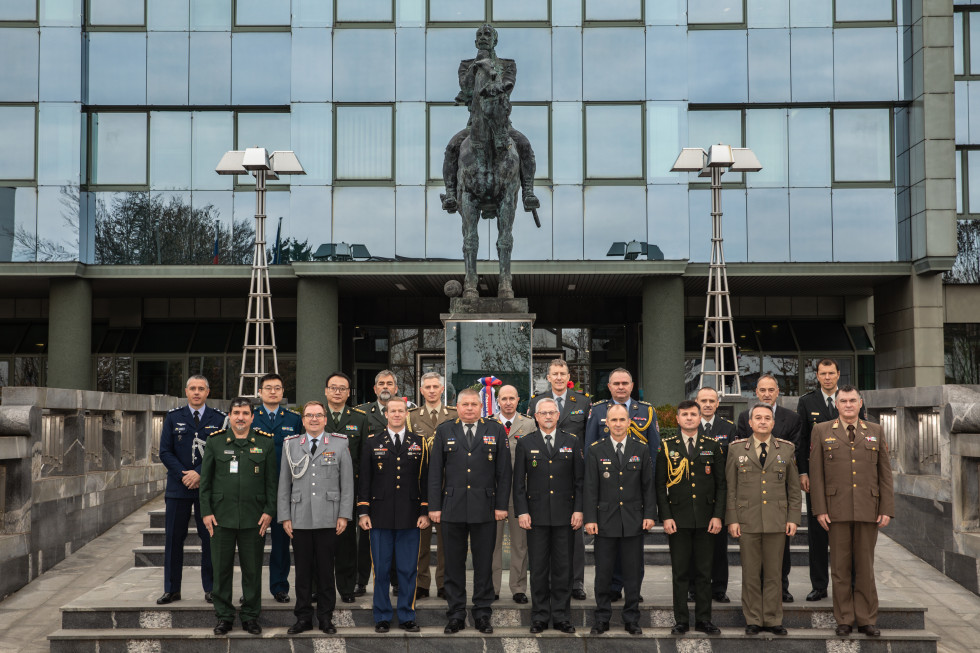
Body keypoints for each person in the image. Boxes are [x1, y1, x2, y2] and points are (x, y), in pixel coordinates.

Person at [808, 386, 894, 637]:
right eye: (843, 401)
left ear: (860, 403)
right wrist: (820, 510)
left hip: (869, 508)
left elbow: (884, 474)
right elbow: (817, 475)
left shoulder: (875, 430)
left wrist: (887, 508)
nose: (848, 405)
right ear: (836, 404)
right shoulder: (822, 430)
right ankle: (844, 618)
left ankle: (867, 619)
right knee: (840, 567)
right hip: (836, 510)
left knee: (865, 567)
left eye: (852, 400)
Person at [428, 388, 511, 635]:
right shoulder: (444, 430)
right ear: (457, 406)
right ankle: (455, 614)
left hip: (485, 508)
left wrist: (501, 506)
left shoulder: (494, 429)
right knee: (453, 564)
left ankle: (482, 614)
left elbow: (504, 472)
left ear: (481, 407)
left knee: (483, 564)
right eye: (465, 404)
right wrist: (434, 506)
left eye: (474, 404)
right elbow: (434, 473)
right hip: (451, 508)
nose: (470, 408)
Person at [441, 23, 538, 214]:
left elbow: (509, 83)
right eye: (480, 35)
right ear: (476, 41)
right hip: (474, 124)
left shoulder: (507, 64)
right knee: (452, 147)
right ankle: (451, 194)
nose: (484, 37)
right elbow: (466, 88)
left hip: (502, 124)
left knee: (525, 145)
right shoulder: (466, 65)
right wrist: (477, 66)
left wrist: (493, 75)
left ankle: (528, 192)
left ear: (495, 40)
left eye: (488, 34)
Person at [200, 398, 277, 636]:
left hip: (254, 518)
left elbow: (271, 483)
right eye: (236, 413)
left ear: (253, 417)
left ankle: (250, 616)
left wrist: (269, 511)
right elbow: (205, 483)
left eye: (245, 413)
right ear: (230, 416)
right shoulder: (215, 442)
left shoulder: (265, 443)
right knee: (221, 569)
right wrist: (206, 512)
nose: (241, 417)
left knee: (252, 570)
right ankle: (223, 616)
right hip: (221, 518)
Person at [584, 367, 660, 601]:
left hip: (634, 489)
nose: (620, 387)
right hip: (607, 490)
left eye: (625, 383)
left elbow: (653, 452)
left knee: (633, 554)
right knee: (609, 554)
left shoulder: (646, 411)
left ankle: (633, 591)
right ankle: (613, 588)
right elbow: (590, 449)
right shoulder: (597, 411)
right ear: (609, 386)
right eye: (615, 383)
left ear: (632, 385)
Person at [278, 401, 353, 635]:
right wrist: (284, 517)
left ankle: (325, 617)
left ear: (325, 419)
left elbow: (347, 484)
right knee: (302, 572)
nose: (313, 419)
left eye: (318, 415)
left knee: (325, 571)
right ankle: (303, 618)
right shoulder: (290, 445)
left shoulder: (340, 444)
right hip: (299, 517)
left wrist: (344, 514)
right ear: (302, 420)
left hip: (329, 517)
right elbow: (284, 484)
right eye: (309, 415)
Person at [726, 404, 802, 636]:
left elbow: (794, 489)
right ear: (749, 423)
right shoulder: (736, 450)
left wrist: (793, 519)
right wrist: (733, 519)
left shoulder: (786, 450)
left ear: (773, 423)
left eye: (767, 418)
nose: (762, 421)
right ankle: (753, 619)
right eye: (757, 418)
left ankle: (772, 618)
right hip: (747, 519)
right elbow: (731, 488)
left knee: (773, 573)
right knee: (750, 572)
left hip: (777, 520)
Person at [357, 397, 429, 633]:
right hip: (379, 515)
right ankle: (382, 616)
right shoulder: (372, 442)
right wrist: (363, 511)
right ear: (385, 414)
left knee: (408, 569)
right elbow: (365, 479)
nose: (397, 414)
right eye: (392, 411)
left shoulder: (419, 442)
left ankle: (407, 615)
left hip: (410, 515)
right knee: (381, 568)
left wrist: (424, 510)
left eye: (401, 411)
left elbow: (425, 480)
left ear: (406, 414)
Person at [797, 359, 866, 602]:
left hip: (848, 478)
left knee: (851, 535)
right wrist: (803, 473)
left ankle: (854, 583)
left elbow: (862, 432)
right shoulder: (807, 402)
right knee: (817, 535)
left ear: (838, 374)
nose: (827, 377)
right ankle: (819, 585)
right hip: (817, 479)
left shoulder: (852, 399)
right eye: (822, 373)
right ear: (816, 376)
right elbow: (802, 440)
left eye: (831, 373)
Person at [585, 403, 656, 636]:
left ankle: (632, 619)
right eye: (613, 420)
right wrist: (590, 518)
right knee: (603, 574)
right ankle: (602, 618)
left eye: (622, 420)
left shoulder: (641, 448)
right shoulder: (596, 450)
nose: (617, 424)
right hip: (605, 521)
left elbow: (648, 485)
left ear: (629, 422)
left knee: (632, 573)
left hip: (633, 520)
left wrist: (649, 515)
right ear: (606, 423)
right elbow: (590, 488)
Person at [513, 397, 582, 634]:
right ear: (536, 416)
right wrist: (522, 511)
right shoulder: (525, 443)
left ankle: (562, 616)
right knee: (539, 569)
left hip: (565, 517)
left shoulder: (571, 441)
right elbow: (518, 484)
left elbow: (580, 482)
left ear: (558, 415)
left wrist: (579, 510)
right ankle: (540, 616)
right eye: (544, 413)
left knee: (563, 569)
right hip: (536, 517)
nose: (549, 417)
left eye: (552, 412)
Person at [657, 400, 725, 636]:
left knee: (705, 573)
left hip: (707, 520)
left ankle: (704, 620)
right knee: (680, 573)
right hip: (678, 519)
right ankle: (681, 621)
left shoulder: (712, 446)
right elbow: (660, 486)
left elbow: (721, 485)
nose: (689, 418)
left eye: (693, 414)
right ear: (677, 419)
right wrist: (665, 517)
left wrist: (718, 516)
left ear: (699, 418)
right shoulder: (667, 447)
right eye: (684, 414)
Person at [157, 375, 226, 605]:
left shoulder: (219, 419)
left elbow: (220, 453)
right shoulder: (173, 417)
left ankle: (211, 588)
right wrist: (185, 475)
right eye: (193, 388)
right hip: (179, 487)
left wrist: (200, 473)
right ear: (186, 391)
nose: (197, 392)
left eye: (201, 389)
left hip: (208, 488)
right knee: (173, 539)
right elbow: (165, 452)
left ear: (208, 392)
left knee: (210, 538)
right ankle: (171, 589)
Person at [735, 373, 803, 602]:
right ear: (756, 392)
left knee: (779, 551)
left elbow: (795, 452)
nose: (766, 394)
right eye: (762, 390)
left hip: (779, 491)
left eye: (771, 390)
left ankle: (781, 588)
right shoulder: (745, 417)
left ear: (777, 392)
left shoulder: (791, 418)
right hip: (752, 493)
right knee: (754, 558)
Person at [528, 358, 591, 599]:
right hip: (543, 475)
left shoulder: (583, 402)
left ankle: (576, 583)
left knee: (575, 535)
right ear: (548, 376)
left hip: (573, 475)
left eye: (562, 373)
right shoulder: (535, 402)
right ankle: (548, 584)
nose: (558, 377)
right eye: (554, 373)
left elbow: (588, 438)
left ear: (568, 375)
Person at [251, 372, 303, 604]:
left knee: (282, 543)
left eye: (278, 388)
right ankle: (250, 590)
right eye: (268, 388)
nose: (273, 391)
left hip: (286, 489)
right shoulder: (250, 417)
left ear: (283, 393)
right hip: (256, 490)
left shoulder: (294, 420)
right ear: (259, 392)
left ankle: (279, 587)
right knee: (252, 544)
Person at [406, 372, 457, 600]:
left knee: (447, 540)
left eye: (436, 386)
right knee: (421, 538)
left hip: (450, 483)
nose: (432, 390)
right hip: (421, 484)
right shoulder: (412, 417)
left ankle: (445, 583)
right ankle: (421, 583)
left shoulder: (454, 414)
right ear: (421, 390)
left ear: (443, 389)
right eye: (428, 387)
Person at [324, 371, 370, 601]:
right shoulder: (315, 415)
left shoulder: (359, 418)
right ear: (326, 391)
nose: (338, 392)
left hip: (348, 489)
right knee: (319, 541)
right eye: (333, 387)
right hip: (319, 489)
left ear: (349, 392)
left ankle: (346, 587)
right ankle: (318, 587)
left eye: (342, 388)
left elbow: (363, 457)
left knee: (347, 542)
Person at [354, 369, 401, 594]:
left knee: (396, 536)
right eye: (381, 383)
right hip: (372, 484)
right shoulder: (362, 413)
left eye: (389, 383)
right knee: (365, 536)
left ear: (396, 388)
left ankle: (396, 581)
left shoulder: (406, 412)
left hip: (399, 485)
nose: (385, 387)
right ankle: (361, 580)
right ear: (374, 389)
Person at [690, 386, 737, 603]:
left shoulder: (728, 428)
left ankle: (719, 588)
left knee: (719, 547)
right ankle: (694, 587)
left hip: (719, 494)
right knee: (694, 546)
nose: (707, 404)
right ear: (696, 402)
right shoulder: (689, 425)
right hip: (694, 495)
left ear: (718, 404)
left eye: (711, 400)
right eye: (703, 400)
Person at [492, 384, 534, 603]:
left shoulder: (529, 424)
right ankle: (493, 587)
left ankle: (518, 588)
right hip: (494, 494)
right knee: (493, 543)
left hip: (520, 493)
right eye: (503, 398)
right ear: (497, 401)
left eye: (512, 398)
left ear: (519, 400)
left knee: (520, 544)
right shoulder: (489, 424)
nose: (508, 402)